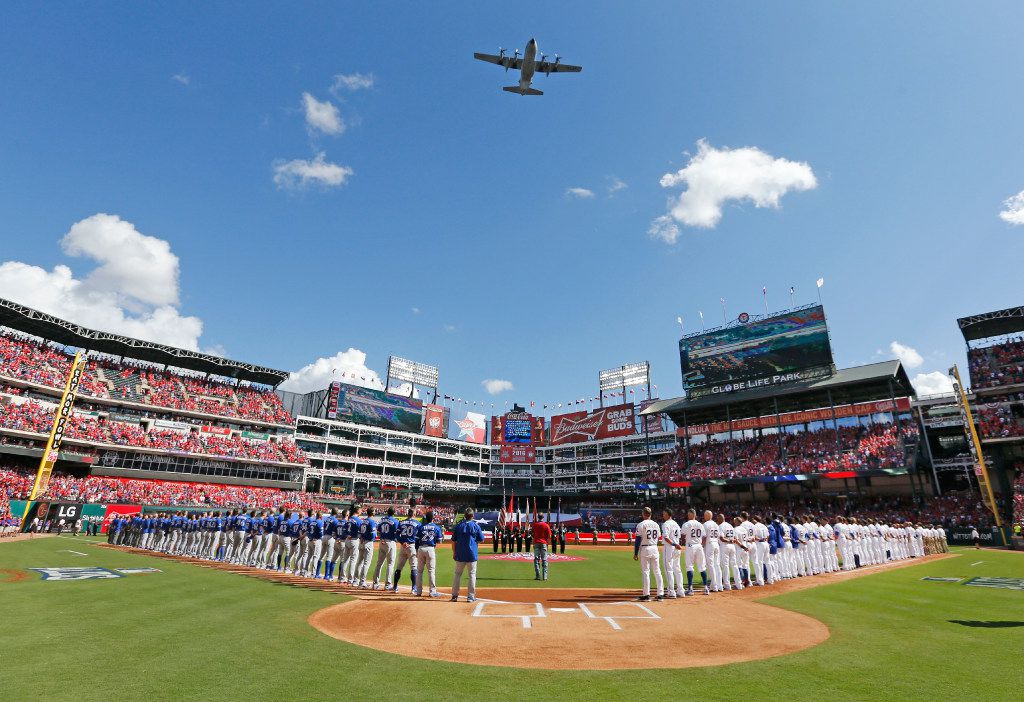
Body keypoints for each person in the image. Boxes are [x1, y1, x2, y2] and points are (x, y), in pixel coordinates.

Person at [451, 508, 485, 602]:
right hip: (471, 554)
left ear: (464, 516)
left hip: (460, 554)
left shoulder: (458, 526)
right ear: (472, 516)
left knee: (457, 574)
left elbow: (453, 541)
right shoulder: (475, 526)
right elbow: (481, 539)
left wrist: (454, 552)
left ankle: (454, 596)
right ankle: (470, 596)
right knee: (472, 575)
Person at [633, 506, 663, 602]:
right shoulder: (656, 524)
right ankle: (660, 594)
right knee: (657, 571)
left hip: (645, 548)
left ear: (643, 514)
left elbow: (637, 540)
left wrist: (636, 553)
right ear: (650, 514)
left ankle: (646, 595)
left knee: (646, 572)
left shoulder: (641, 524)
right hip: (654, 547)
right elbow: (658, 538)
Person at [415, 511, 443, 597]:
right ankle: (432, 591)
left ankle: (419, 592)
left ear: (425, 518)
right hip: (430, 549)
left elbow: (416, 540)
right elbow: (440, 541)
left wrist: (416, 551)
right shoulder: (436, 527)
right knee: (431, 571)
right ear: (433, 518)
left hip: (420, 548)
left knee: (419, 571)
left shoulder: (420, 527)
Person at [682, 509, 710, 595]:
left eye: (688, 514)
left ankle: (690, 589)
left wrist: (685, 542)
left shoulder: (686, 524)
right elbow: (704, 537)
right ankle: (706, 588)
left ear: (690, 515)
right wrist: (702, 545)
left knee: (689, 567)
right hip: (699, 546)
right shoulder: (700, 524)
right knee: (702, 567)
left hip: (690, 546)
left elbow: (682, 536)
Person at [392, 508, 420, 593]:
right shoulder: (418, 523)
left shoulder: (401, 522)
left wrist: (402, 542)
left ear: (408, 514)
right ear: (414, 514)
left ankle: (395, 587)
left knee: (399, 567)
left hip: (403, 546)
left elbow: (397, 534)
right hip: (411, 546)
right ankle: (414, 588)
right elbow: (419, 537)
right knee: (414, 567)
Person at [371, 507, 398, 590]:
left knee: (379, 563)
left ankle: (375, 584)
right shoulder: (395, 521)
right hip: (390, 542)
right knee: (390, 564)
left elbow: (378, 532)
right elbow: (397, 533)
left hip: (382, 542)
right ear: (394, 513)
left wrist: (382, 538)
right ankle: (387, 584)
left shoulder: (382, 520)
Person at [661, 509, 684, 598]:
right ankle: (681, 590)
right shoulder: (676, 524)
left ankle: (671, 591)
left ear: (668, 515)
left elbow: (666, 537)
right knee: (677, 569)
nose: (663, 515)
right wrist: (676, 544)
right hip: (677, 547)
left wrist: (674, 544)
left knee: (669, 569)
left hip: (670, 547)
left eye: (664, 514)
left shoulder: (666, 524)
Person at [531, 513, 552, 581]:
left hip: (536, 543)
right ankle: (545, 577)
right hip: (543, 543)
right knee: (544, 559)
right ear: (543, 517)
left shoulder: (535, 525)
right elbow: (549, 536)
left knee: (536, 560)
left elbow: (532, 534)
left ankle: (538, 576)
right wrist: (547, 543)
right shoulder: (546, 525)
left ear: (538, 517)